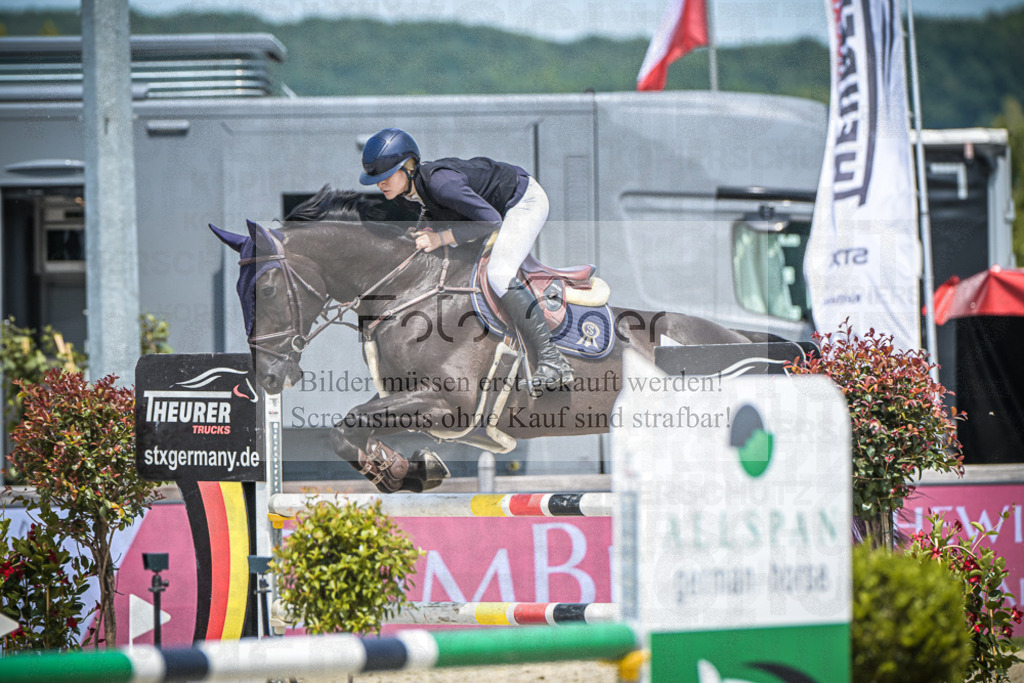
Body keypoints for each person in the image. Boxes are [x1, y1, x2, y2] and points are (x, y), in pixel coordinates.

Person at [359, 127, 574, 391]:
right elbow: (437, 211)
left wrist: (439, 238)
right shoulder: (406, 194)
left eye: (387, 176)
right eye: (376, 178)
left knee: (499, 274)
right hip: (494, 209)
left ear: (408, 167)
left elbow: (491, 221)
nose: (380, 184)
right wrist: (427, 229)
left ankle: (552, 359)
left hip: (522, 201)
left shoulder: (441, 183)